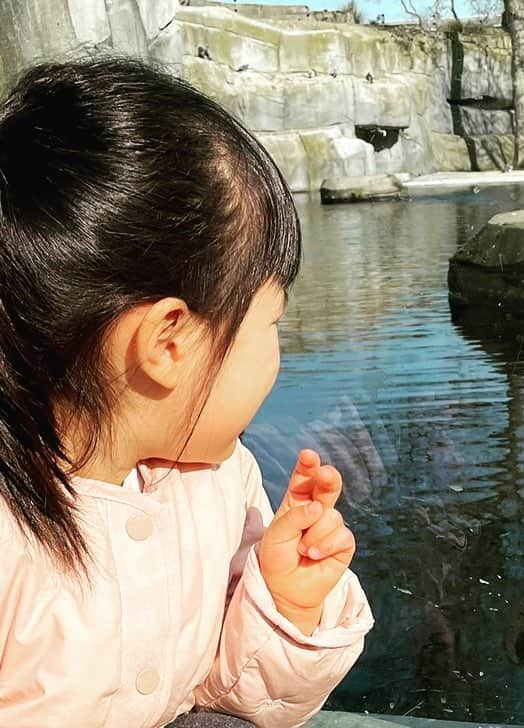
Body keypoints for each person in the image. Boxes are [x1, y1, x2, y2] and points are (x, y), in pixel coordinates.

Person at [0, 57, 374, 727]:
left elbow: (226, 699)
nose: (276, 354)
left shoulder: (220, 485)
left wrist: (282, 604)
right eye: (271, 323)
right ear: (169, 342)